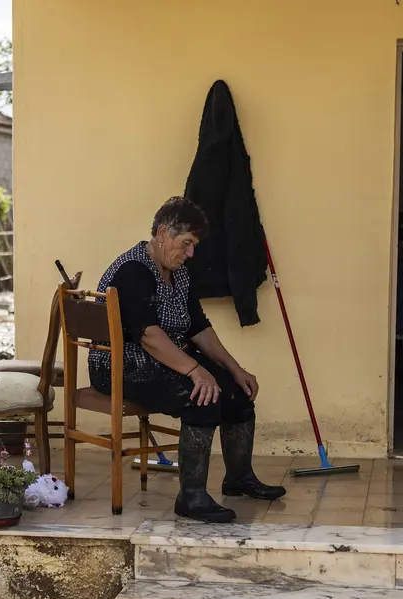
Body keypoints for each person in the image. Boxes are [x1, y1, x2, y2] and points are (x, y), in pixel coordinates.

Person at [89, 197, 286, 523]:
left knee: (237, 392)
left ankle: (238, 478)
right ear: (163, 233)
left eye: (194, 245)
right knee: (203, 398)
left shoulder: (178, 273)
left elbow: (198, 328)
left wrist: (234, 369)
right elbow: (149, 335)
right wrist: (195, 371)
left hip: (162, 358)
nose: (191, 253)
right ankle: (191, 497)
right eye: (187, 244)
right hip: (121, 365)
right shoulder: (133, 270)